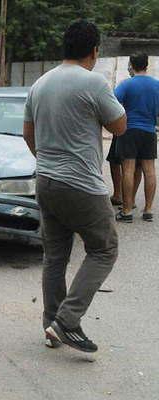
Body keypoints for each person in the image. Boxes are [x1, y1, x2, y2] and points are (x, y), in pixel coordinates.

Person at [23, 20, 126, 353]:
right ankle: (66, 322)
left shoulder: (40, 84)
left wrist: (49, 161)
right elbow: (120, 126)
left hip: (46, 181)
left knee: (55, 257)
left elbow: (28, 133)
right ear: (94, 50)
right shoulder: (94, 82)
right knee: (104, 248)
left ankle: (51, 324)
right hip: (82, 185)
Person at [114, 53, 159, 223]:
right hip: (149, 130)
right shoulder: (157, 85)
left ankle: (127, 211)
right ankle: (148, 210)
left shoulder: (126, 84)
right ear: (146, 65)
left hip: (130, 130)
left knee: (128, 170)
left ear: (132, 64)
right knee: (150, 170)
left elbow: (113, 102)